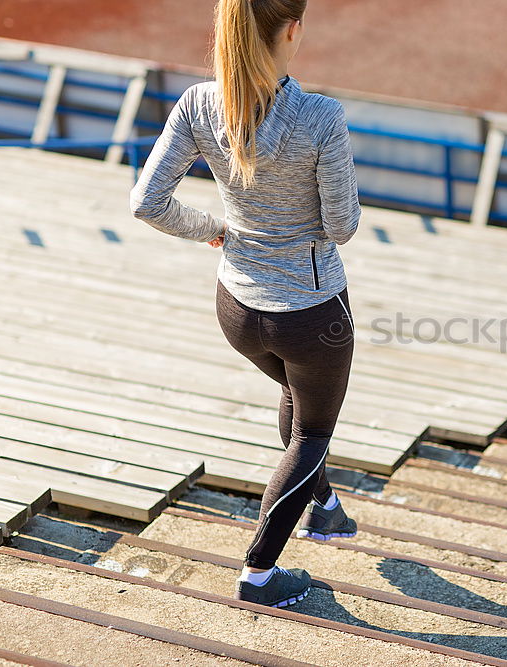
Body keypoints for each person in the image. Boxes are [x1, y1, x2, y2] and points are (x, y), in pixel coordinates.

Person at [129, 0, 361, 608]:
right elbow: (341, 226)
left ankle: (326, 507)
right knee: (312, 430)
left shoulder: (200, 103)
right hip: (311, 314)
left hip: (236, 306)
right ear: (293, 29)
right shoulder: (320, 117)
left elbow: (147, 201)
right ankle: (260, 572)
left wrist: (214, 230)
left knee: (294, 396)